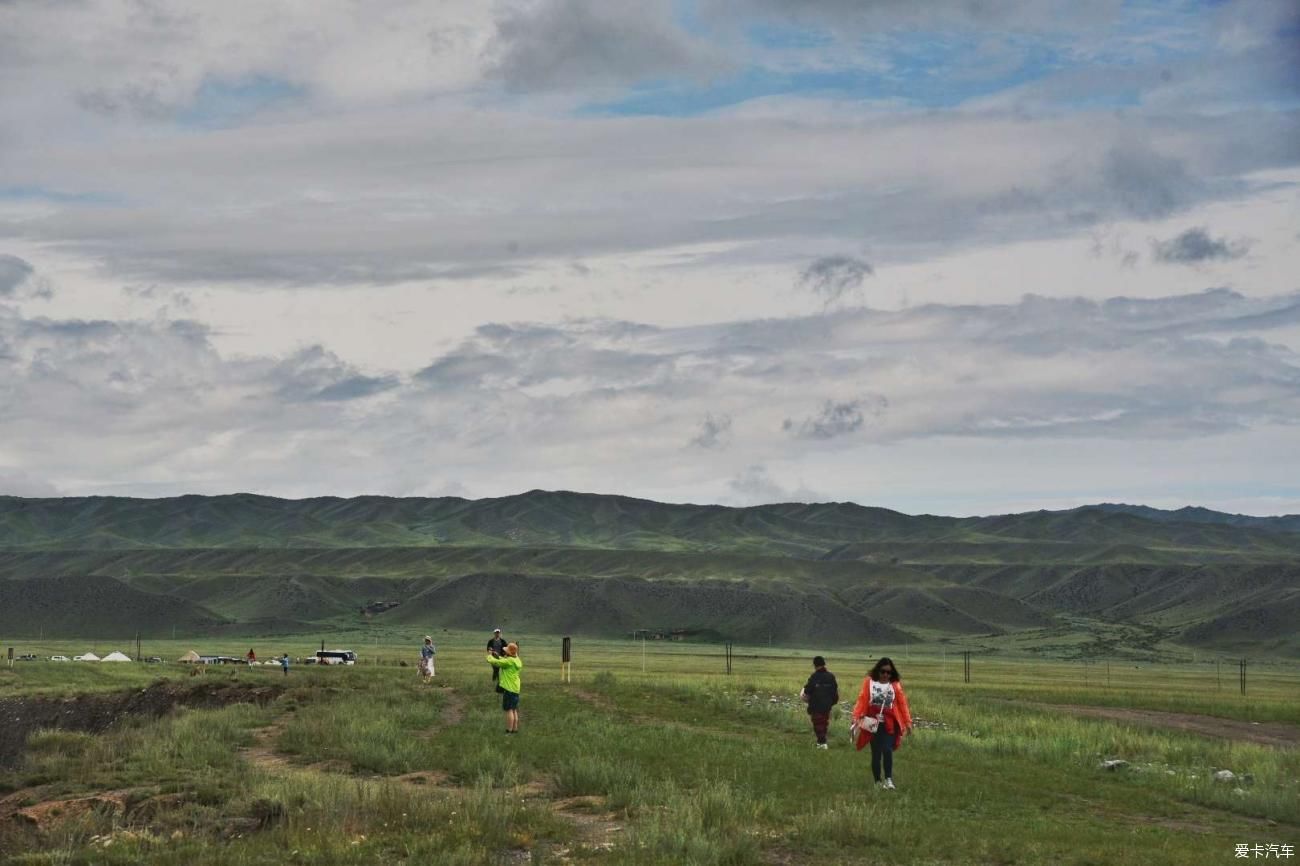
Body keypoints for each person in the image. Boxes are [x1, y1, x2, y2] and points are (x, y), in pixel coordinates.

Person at [852, 657, 912, 790]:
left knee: (887, 750)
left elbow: (902, 704)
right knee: (876, 753)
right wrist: (856, 716)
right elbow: (862, 700)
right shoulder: (869, 682)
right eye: (883, 671)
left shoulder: (895, 685)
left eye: (889, 672)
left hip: (889, 724)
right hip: (873, 723)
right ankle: (877, 781)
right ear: (877, 671)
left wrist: (908, 722)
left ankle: (888, 779)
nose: (886, 675)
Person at [800, 655, 839, 749]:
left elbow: (807, 690)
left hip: (816, 705)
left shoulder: (814, 676)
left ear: (815, 665)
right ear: (823, 664)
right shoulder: (831, 676)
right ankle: (821, 742)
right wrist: (832, 702)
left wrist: (804, 693)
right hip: (827, 705)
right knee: (823, 723)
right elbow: (835, 691)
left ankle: (822, 743)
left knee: (818, 723)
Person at [485, 642, 522, 733]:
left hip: (509, 689)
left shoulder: (508, 661)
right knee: (514, 709)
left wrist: (489, 656)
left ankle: (508, 731)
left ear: (509, 652)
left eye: (506, 651)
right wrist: (498, 656)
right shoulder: (517, 660)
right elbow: (504, 660)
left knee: (509, 710)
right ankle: (515, 729)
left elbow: (495, 662)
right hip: (516, 688)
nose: (505, 652)